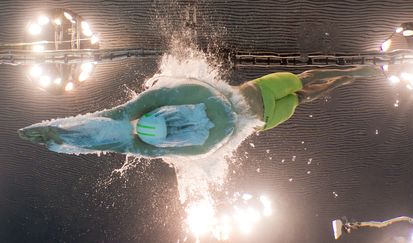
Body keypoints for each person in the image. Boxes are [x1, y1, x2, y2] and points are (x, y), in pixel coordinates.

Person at [18, 65, 381, 157]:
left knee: (305, 96)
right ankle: (346, 77)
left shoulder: (206, 140)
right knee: (305, 83)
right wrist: (62, 134)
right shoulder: (188, 98)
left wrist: (65, 138)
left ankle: (346, 79)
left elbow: (125, 138)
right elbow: (119, 118)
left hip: (263, 118)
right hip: (260, 102)